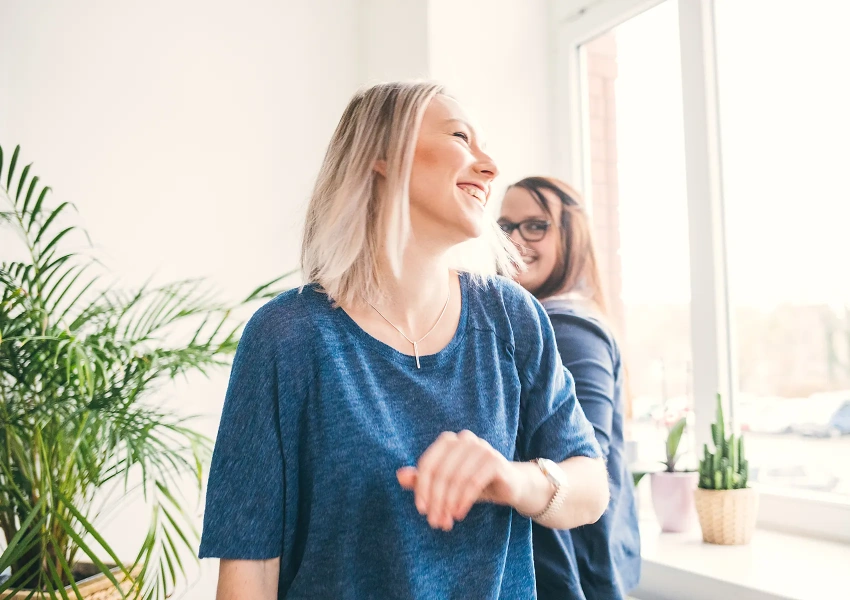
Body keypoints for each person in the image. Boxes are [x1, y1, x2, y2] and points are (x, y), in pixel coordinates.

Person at [198, 82, 610, 599]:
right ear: (382, 157)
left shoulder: (512, 317)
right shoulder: (287, 337)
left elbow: (591, 488)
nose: (489, 167)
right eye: (462, 137)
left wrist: (509, 479)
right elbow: (249, 571)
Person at [499, 176, 641, 600]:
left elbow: (584, 462)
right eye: (505, 226)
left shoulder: (569, 328)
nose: (516, 239)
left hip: (572, 572)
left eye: (536, 225)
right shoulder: (541, 317)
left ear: (572, 235)